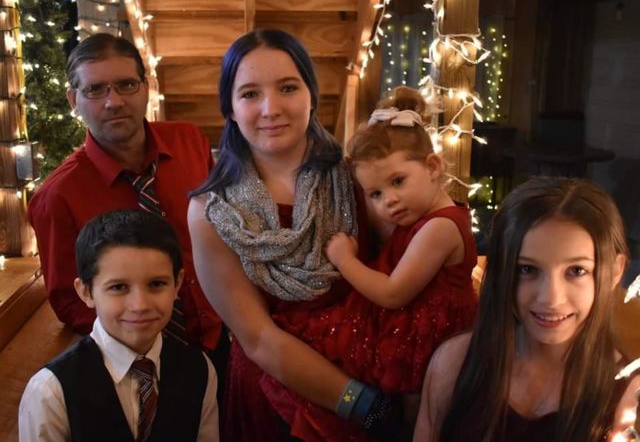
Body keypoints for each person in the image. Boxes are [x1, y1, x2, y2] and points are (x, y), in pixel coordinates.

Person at [188, 28, 401, 442]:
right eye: (250, 94)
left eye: (287, 87)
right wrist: (365, 406)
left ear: (311, 95)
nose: (271, 108)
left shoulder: (359, 179)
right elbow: (258, 339)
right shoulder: (210, 213)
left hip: (376, 372)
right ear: (230, 108)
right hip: (276, 402)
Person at [27, 33, 227, 384]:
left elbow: (223, 229)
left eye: (126, 85)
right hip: (141, 367)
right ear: (73, 99)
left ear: (145, 88)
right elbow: (70, 301)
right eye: (95, 89)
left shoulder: (190, 142)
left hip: (223, 340)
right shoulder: (57, 197)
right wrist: (144, 349)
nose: (113, 101)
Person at [413, 177, 640, 441]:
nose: (551, 298)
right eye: (527, 269)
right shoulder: (455, 362)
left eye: (576, 271)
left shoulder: (628, 398)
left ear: (613, 272)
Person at [313, 86, 478, 394]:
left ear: (433, 167)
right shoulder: (419, 217)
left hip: (432, 345)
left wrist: (345, 260)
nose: (388, 200)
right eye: (375, 193)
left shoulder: (440, 227)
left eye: (398, 181)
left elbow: (393, 294)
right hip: (409, 331)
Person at [19, 210, 219, 441]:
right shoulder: (51, 391)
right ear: (86, 292)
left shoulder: (200, 371)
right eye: (118, 287)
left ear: (177, 284)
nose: (140, 305)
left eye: (156, 284)